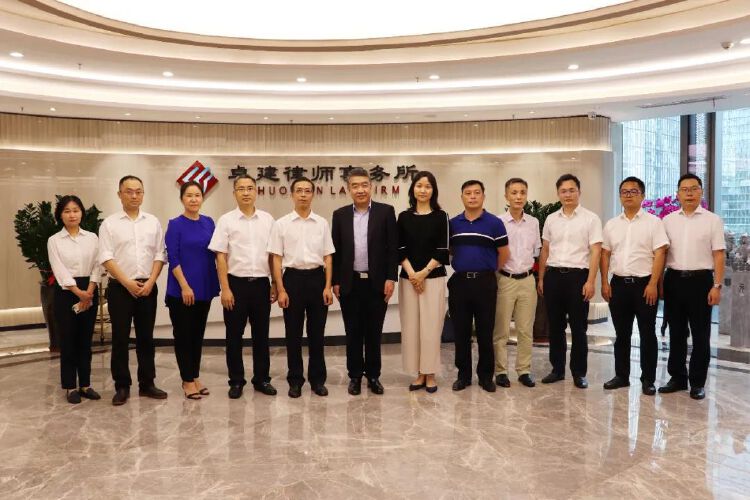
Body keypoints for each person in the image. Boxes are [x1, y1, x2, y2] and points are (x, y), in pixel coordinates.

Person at [98, 175, 168, 406]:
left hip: (147, 287)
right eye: (129, 191)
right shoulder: (109, 224)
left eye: (138, 191)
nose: (134, 195)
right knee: (120, 338)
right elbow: (106, 257)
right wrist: (127, 282)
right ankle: (122, 386)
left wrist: (151, 281)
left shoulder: (152, 222)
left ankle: (147, 383)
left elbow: (160, 254)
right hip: (120, 288)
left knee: (146, 338)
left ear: (143, 194)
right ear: (120, 195)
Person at [209, 174, 277, 399]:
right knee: (234, 336)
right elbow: (220, 256)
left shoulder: (268, 220)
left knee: (262, 335)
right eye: (241, 189)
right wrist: (225, 288)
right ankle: (236, 381)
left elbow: (273, 255)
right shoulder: (226, 220)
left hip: (261, 285)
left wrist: (275, 283)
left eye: (250, 188)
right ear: (234, 193)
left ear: (256, 191)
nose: (246, 192)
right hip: (235, 285)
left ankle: (262, 379)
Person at [331, 168, 399, 396]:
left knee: (373, 332)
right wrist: (336, 281)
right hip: (349, 283)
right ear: (348, 189)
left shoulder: (386, 212)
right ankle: (355, 376)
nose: (360, 190)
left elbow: (392, 249)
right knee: (352, 332)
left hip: (377, 284)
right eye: (355, 186)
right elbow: (336, 251)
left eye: (364, 185)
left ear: (371, 187)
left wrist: (391, 277)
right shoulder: (340, 215)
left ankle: (373, 376)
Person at [600, 176, 669, 396]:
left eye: (633, 191)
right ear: (620, 196)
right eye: (624, 191)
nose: (628, 195)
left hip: (644, 285)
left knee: (647, 333)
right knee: (621, 334)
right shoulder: (612, 224)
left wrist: (653, 284)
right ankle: (621, 376)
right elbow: (605, 254)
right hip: (618, 284)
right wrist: (604, 282)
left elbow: (660, 253)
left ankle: (648, 379)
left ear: (642, 195)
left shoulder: (653, 222)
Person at [268, 177, 335, 398]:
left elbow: (328, 256)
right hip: (292, 280)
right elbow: (276, 258)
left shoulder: (322, 223)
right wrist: (281, 289)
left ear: (313, 194)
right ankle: (295, 380)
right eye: (299, 190)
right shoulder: (281, 224)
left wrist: (327, 286)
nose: (303, 194)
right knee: (293, 334)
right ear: (292, 195)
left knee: (317, 334)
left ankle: (317, 380)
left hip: (317, 279)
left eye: (307, 190)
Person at [660, 173, 725, 400]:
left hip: (701, 282)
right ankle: (677, 378)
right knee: (676, 332)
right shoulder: (667, 221)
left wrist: (717, 285)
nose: (689, 193)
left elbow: (719, 254)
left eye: (694, 188)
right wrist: (659, 283)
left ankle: (697, 382)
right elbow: (661, 254)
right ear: (677, 194)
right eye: (684, 189)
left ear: (701, 192)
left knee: (700, 334)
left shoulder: (712, 220)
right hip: (674, 280)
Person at [538, 173, 602, 389]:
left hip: (578, 277)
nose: (568, 194)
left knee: (578, 327)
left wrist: (591, 281)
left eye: (572, 190)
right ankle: (557, 369)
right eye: (563, 191)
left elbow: (596, 251)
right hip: (553, 277)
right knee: (555, 326)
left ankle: (578, 372)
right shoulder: (551, 219)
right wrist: (541, 278)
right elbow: (545, 249)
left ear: (579, 192)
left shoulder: (591, 219)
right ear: (558, 193)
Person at [449, 180, 509, 393]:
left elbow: (504, 254)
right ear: (462, 197)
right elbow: (449, 252)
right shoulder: (453, 224)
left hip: (485, 282)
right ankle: (463, 376)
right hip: (460, 283)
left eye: (476, 193)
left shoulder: (494, 223)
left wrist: (488, 270)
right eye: (468, 193)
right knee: (461, 332)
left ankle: (485, 377)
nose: (472, 196)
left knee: (485, 331)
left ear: (483, 196)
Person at [165, 181, 219, 400]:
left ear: (202, 198)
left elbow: (217, 251)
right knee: (184, 336)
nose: (194, 199)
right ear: (182, 199)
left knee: (197, 335)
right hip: (182, 290)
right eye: (189, 195)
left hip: (204, 286)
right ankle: (187, 380)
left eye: (197, 195)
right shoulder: (175, 224)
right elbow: (173, 257)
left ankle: (194, 376)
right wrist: (185, 286)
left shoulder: (209, 222)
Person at [397, 171, 449, 393]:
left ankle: (430, 373)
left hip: (433, 278)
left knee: (431, 328)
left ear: (433, 190)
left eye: (428, 186)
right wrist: (413, 275)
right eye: (419, 185)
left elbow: (442, 249)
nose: (423, 190)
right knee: (412, 328)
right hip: (409, 280)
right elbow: (399, 249)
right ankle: (419, 373)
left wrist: (423, 274)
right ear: (413, 189)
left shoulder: (441, 216)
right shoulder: (404, 217)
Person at [47, 195, 102, 404]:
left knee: (85, 340)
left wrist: (90, 290)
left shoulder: (92, 238)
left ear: (82, 213)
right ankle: (70, 386)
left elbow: (98, 265)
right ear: (60, 215)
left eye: (76, 210)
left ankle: (85, 384)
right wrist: (80, 293)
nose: (72, 215)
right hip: (66, 292)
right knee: (68, 340)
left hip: (90, 287)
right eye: (67, 211)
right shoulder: (54, 240)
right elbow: (59, 269)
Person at [493, 178, 541, 389]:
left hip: (528, 280)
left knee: (525, 329)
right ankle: (501, 371)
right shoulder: (498, 222)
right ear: (506, 196)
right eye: (514, 192)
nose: (518, 196)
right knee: (501, 329)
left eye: (522, 192)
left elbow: (537, 251)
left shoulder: (533, 222)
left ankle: (524, 370)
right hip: (505, 279)